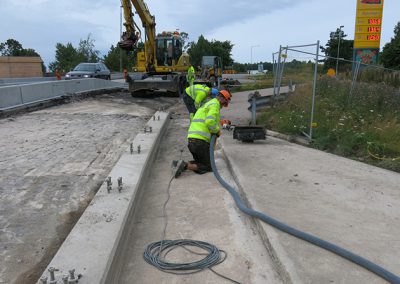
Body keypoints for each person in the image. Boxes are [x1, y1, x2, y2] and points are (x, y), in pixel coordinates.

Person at [173, 90, 232, 178]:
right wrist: (217, 131)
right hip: (200, 142)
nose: (223, 106)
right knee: (209, 167)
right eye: (224, 103)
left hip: (192, 140)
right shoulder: (215, 105)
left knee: (201, 163)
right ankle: (185, 165)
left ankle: (178, 164)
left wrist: (220, 122)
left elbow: (207, 119)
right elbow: (209, 122)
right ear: (222, 99)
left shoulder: (208, 104)